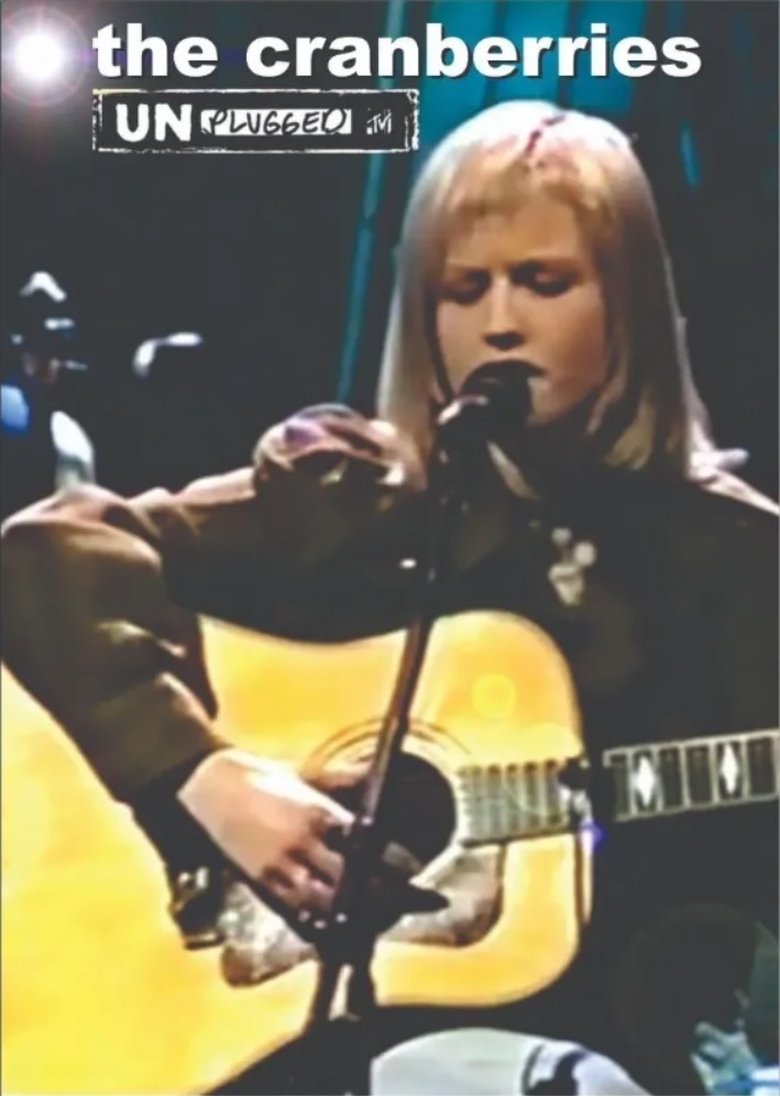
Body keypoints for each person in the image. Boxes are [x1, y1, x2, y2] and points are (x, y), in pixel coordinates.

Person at [2, 101, 777, 1095]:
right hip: (298, 1033)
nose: (499, 321)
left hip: (611, 1039)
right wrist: (202, 775)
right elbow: (46, 551)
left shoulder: (738, 556)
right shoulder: (356, 495)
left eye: (544, 282)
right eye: (464, 289)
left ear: (627, 302)